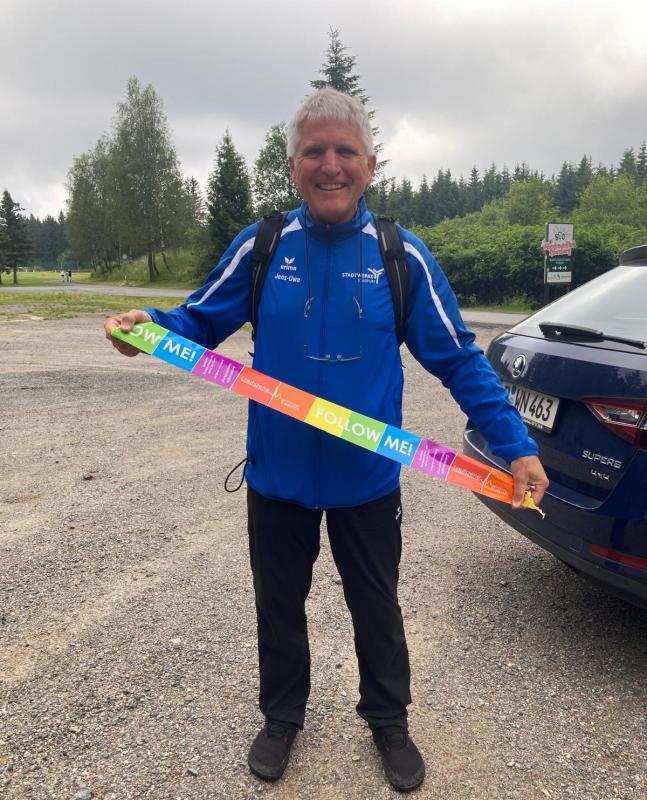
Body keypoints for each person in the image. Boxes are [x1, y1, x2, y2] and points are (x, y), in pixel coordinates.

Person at [104, 88, 548, 793]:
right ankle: (281, 717)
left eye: (346, 151)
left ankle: (389, 721)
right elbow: (197, 321)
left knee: (376, 607)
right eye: (314, 151)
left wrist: (515, 446)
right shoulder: (262, 245)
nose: (330, 165)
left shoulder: (401, 257)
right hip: (276, 477)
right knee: (278, 606)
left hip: (366, 482)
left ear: (371, 165)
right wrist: (148, 329)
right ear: (293, 166)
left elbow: (460, 360)